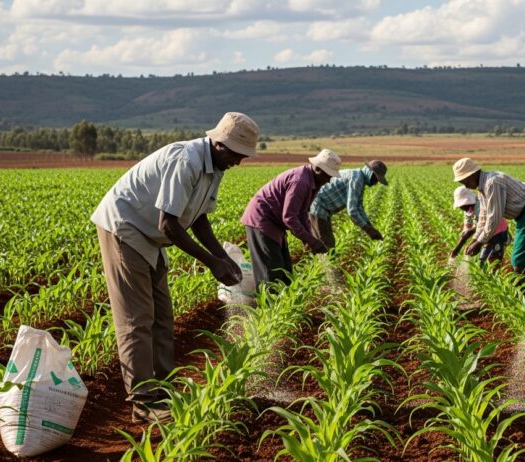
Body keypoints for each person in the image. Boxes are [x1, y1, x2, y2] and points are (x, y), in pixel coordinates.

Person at [91, 112, 258, 423]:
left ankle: (164, 390)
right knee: (136, 320)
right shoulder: (188, 159)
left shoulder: (215, 166)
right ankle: (142, 403)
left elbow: (199, 218)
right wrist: (211, 262)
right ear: (220, 145)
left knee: (163, 316)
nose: (239, 161)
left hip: (149, 238)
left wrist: (224, 257)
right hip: (125, 228)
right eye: (237, 154)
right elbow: (168, 223)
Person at [241, 149, 341, 289]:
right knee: (271, 272)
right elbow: (289, 217)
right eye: (328, 175)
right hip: (262, 219)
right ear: (318, 169)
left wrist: (309, 239)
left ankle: (282, 305)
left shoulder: (314, 181)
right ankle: (269, 308)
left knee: (285, 271)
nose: (329, 179)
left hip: (274, 222)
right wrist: (312, 241)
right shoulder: (300, 181)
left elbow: (302, 214)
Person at [452, 158, 525, 286]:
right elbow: (483, 219)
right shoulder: (481, 189)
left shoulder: (492, 183)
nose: (466, 185)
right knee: (523, 259)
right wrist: (474, 240)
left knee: (520, 258)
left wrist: (480, 242)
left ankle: (521, 297)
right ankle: (524, 295)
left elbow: (494, 218)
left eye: (465, 181)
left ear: (472, 174)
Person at [308, 160, 388, 251]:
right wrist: (368, 230)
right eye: (376, 178)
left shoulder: (359, 178)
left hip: (320, 208)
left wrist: (370, 226)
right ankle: (325, 265)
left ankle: (320, 262)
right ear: (369, 173)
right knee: (327, 246)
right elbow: (352, 211)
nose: (375, 183)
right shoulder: (356, 179)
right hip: (318, 208)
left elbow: (359, 207)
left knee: (324, 242)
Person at [449, 185, 509, 267]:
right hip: (485, 233)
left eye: (464, 205)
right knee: (483, 259)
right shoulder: (468, 210)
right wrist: (457, 248)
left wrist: (472, 242)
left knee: (491, 259)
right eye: (461, 206)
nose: (462, 208)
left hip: (497, 232)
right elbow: (468, 227)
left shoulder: (480, 205)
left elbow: (485, 224)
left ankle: (494, 276)